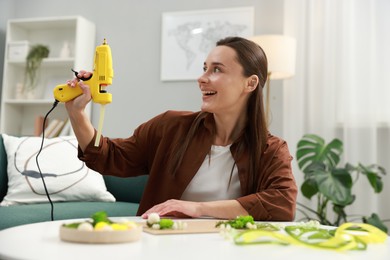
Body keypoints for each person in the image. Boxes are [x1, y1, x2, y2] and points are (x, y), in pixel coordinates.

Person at [65, 36, 297, 221]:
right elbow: (109, 157)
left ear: (251, 83)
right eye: (205, 68)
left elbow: (282, 203)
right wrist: (77, 113)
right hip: (164, 246)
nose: (202, 78)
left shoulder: (271, 149)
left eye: (217, 70)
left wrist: (197, 208)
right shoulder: (170, 127)